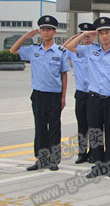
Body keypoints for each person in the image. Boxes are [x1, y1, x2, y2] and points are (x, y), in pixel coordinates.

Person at [65, 17, 110, 178]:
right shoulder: (90, 50)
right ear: (98, 35)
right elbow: (69, 46)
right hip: (93, 98)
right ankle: (98, 164)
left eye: (107, 32)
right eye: (101, 33)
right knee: (95, 132)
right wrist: (85, 34)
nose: (104, 36)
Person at [10, 15, 70, 171]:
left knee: (54, 128)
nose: (45, 32)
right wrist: (25, 36)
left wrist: (63, 97)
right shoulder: (33, 50)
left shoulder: (60, 51)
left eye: (48, 29)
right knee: (40, 128)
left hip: (54, 95)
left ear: (54, 32)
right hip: (38, 95)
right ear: (40, 32)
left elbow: (64, 74)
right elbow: (13, 50)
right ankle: (41, 159)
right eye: (43, 29)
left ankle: (54, 160)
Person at [63, 23, 94, 164]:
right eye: (84, 36)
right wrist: (78, 35)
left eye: (89, 36)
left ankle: (94, 152)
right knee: (82, 125)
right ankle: (82, 152)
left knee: (94, 125)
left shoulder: (96, 50)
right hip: (81, 93)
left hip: (94, 94)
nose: (86, 38)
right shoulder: (75, 50)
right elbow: (64, 47)